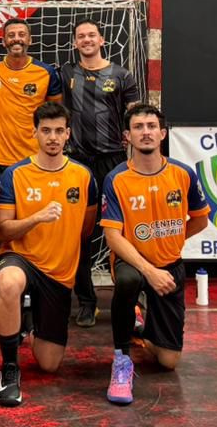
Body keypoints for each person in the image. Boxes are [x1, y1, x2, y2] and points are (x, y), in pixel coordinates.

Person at [100, 104, 210, 405]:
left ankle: (140, 325)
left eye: (151, 126)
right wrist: (149, 270)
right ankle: (121, 360)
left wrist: (170, 240)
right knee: (127, 281)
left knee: (168, 361)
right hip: (133, 262)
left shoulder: (183, 174)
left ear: (162, 134)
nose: (145, 132)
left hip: (170, 266)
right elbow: (113, 237)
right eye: (138, 127)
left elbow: (200, 220)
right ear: (127, 136)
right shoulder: (117, 179)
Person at [0, 102, 98, 407]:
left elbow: (86, 228)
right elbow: (3, 231)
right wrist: (36, 218)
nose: (52, 137)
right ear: (35, 133)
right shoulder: (15, 175)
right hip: (21, 257)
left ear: (68, 134)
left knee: (49, 364)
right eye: (46, 130)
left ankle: (27, 321)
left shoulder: (83, 176)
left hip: (59, 273)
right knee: (9, 283)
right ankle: (9, 368)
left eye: (59, 131)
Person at [61, 20, 140, 328]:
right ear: (75, 43)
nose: (86, 40)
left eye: (91, 35)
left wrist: (131, 136)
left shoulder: (122, 75)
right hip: (79, 164)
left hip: (113, 161)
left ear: (102, 39)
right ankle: (87, 301)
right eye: (81, 36)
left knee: (125, 230)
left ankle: (134, 299)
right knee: (81, 234)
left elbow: (135, 114)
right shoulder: (66, 73)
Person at [0, 18, 62, 195]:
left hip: (34, 157)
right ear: (3, 42)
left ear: (30, 40)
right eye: (11, 35)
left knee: (35, 210)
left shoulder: (46, 72)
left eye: (21, 34)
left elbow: (57, 115)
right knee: (1, 211)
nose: (16, 38)